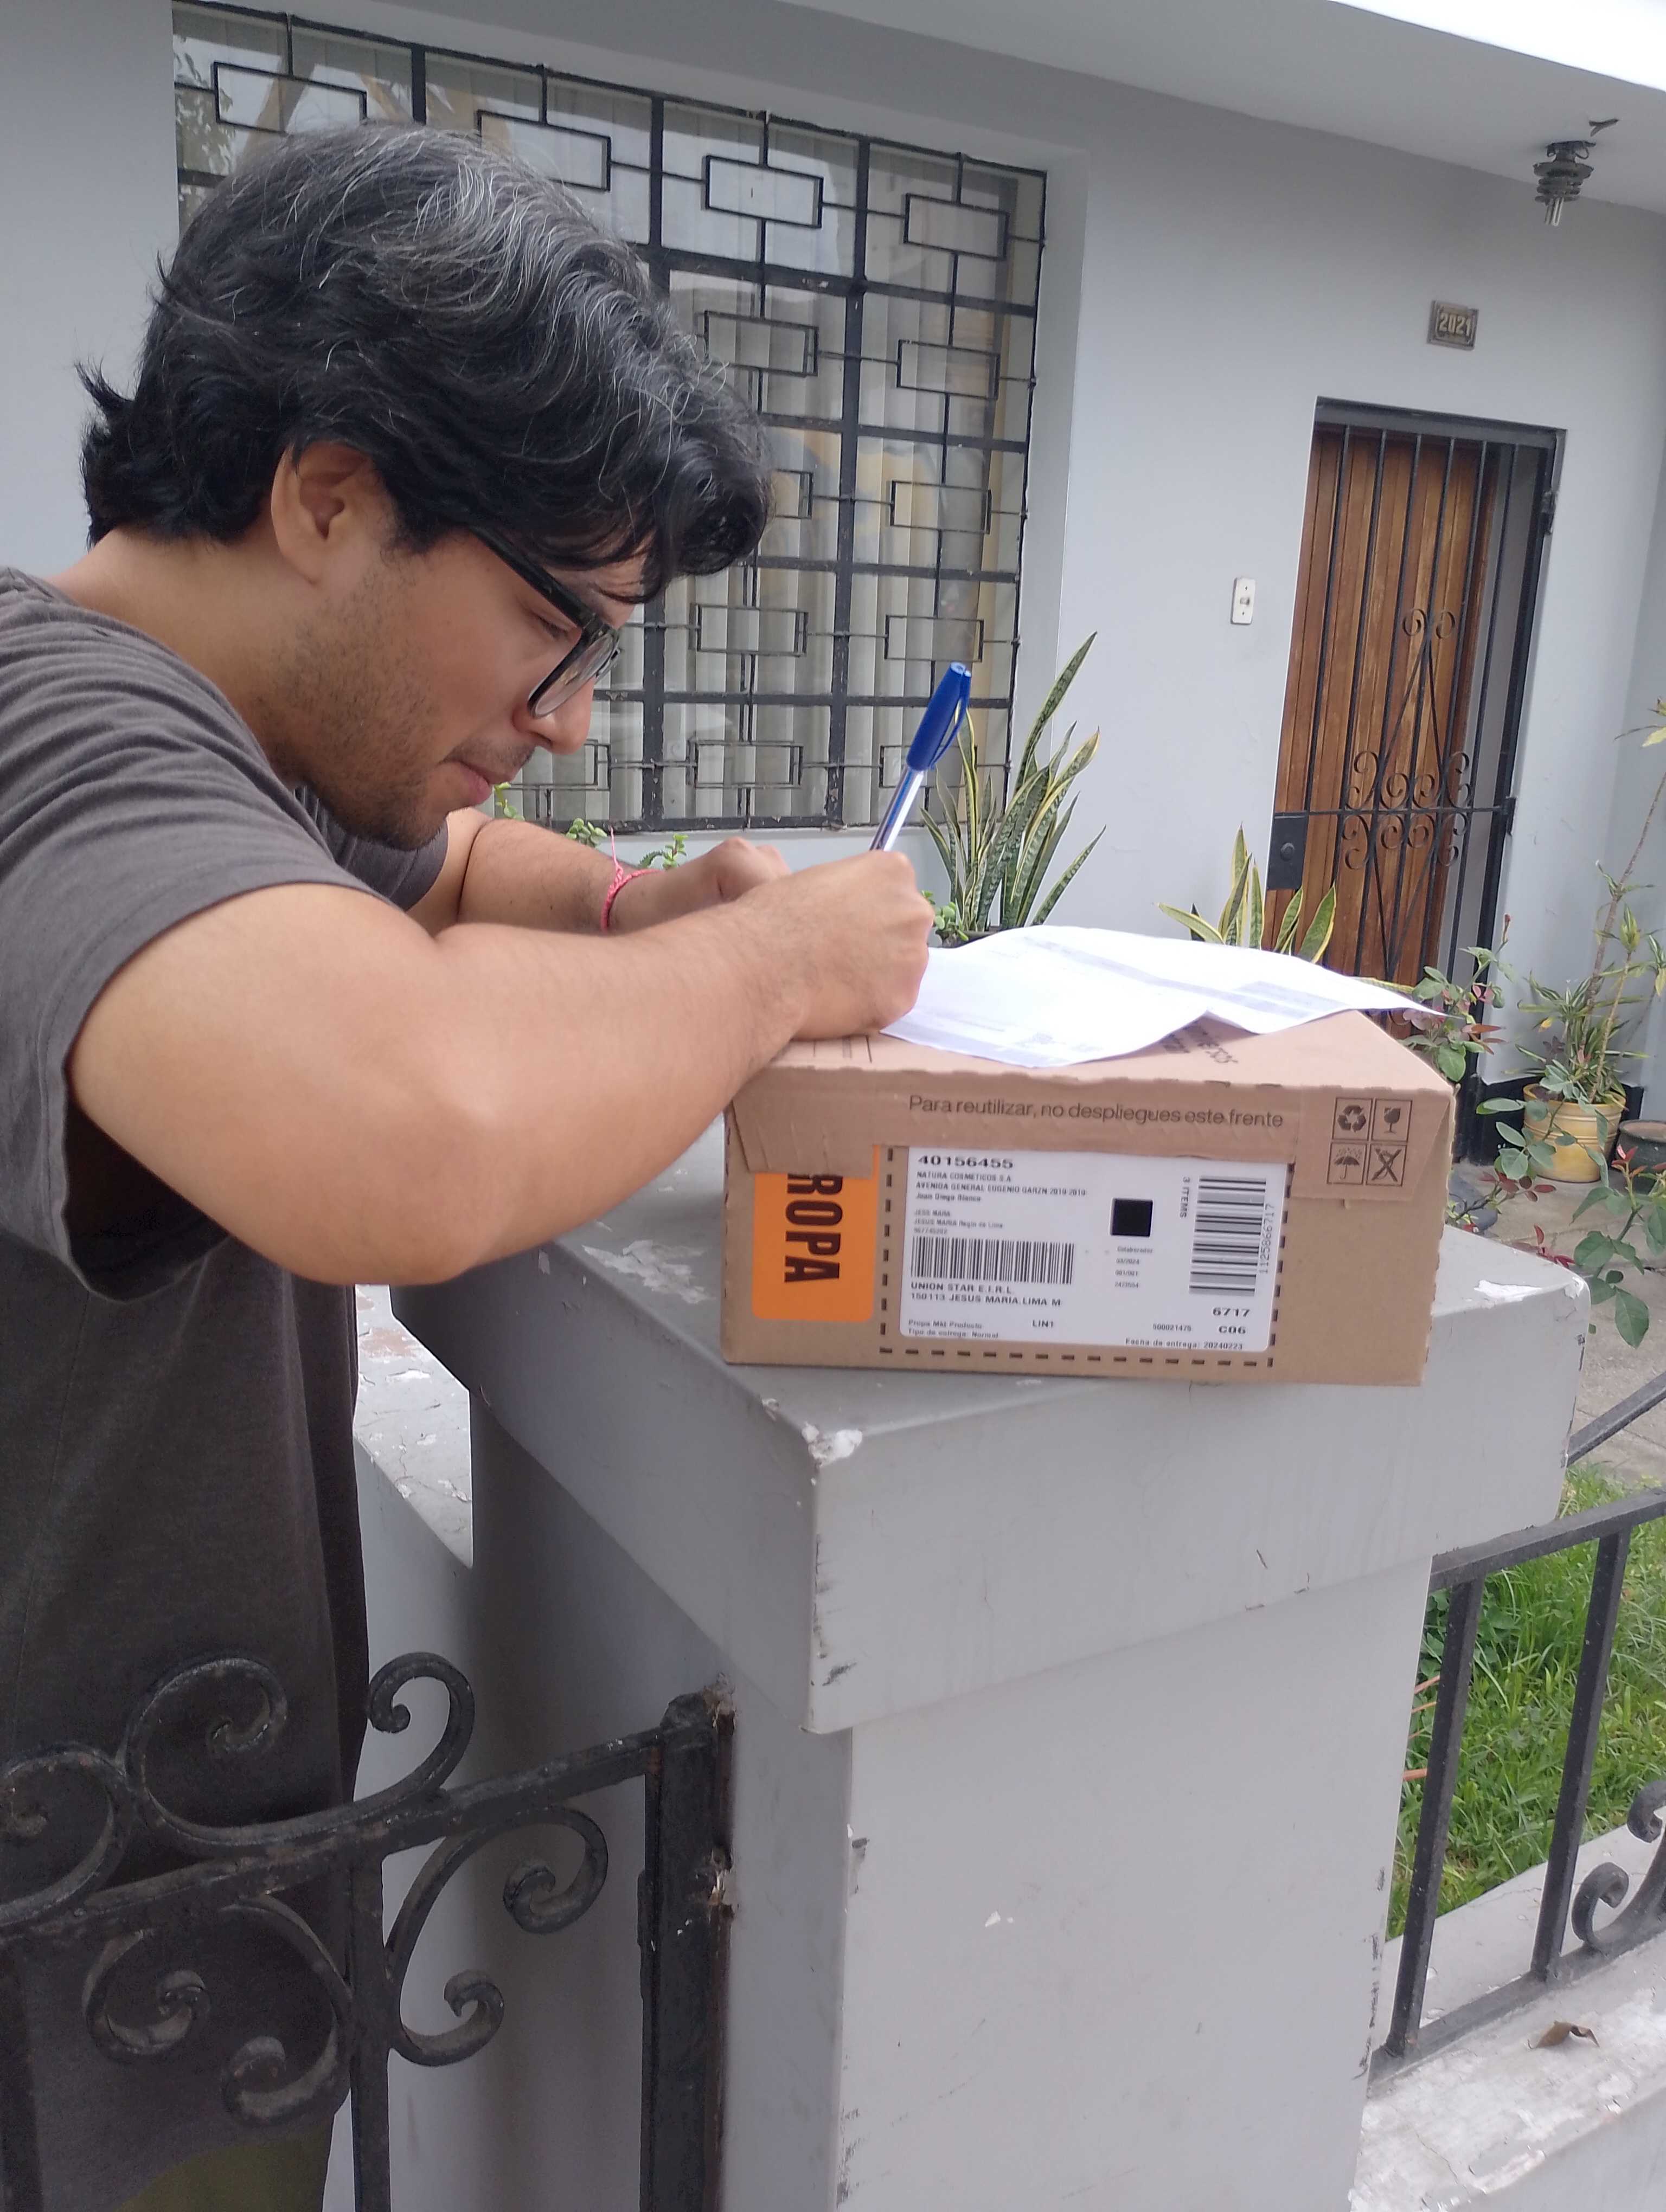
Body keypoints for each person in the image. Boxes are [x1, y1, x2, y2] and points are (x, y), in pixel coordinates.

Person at [0, 124, 930, 2212]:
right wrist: (781, 964)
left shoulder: (235, 743)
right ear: (329, 495)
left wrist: (635, 912)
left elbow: (425, 871)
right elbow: (407, 1128)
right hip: (63, 1991)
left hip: (160, 1897)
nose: (572, 716)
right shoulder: (52, 739)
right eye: (550, 623)